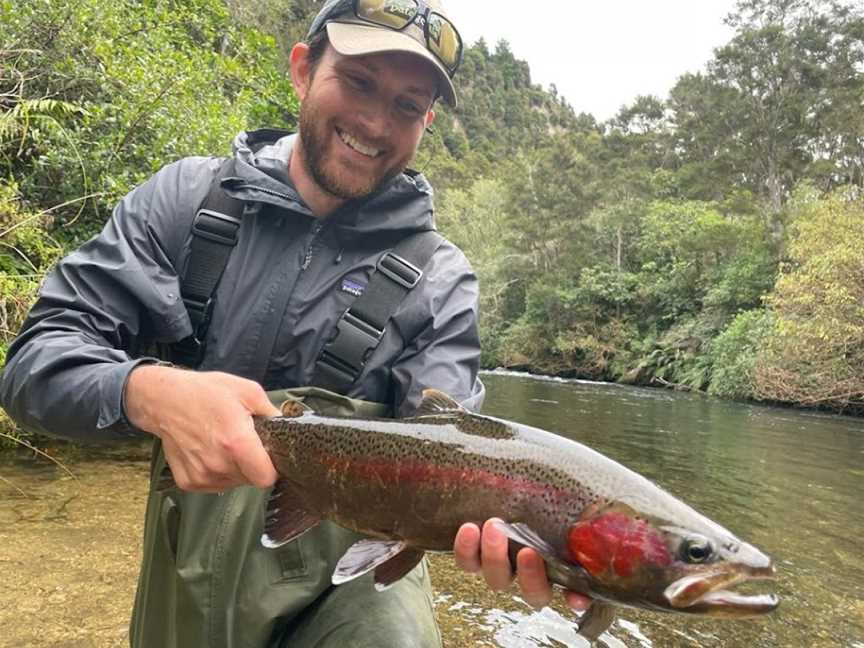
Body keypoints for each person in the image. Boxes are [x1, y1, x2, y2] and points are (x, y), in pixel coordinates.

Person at [0, 0, 589, 646]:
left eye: (406, 106)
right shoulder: (184, 204)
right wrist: (148, 392)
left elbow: (452, 446)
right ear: (303, 70)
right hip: (186, 568)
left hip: (354, 590)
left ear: (426, 121)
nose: (374, 121)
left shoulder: (441, 284)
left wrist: (521, 528)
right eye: (359, 82)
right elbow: (32, 366)